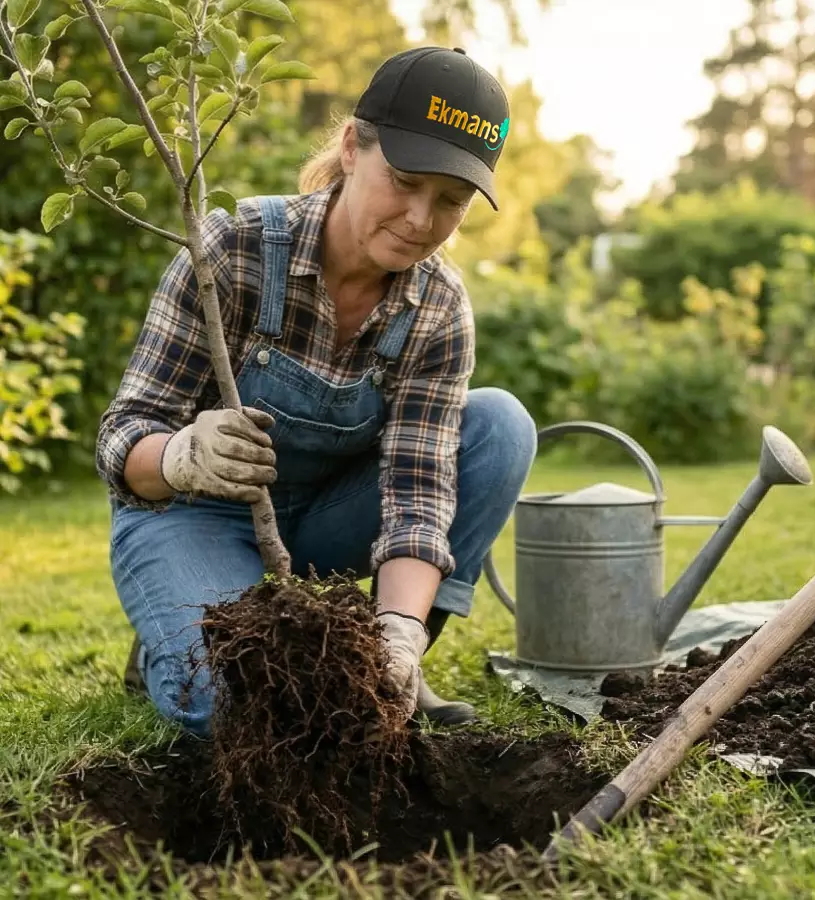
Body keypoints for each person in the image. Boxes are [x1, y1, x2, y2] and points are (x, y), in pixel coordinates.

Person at [97, 45, 537, 739]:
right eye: (405, 181)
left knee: (500, 426)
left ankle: (389, 668)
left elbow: (418, 491)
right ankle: (183, 616)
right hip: (193, 514)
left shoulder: (439, 309)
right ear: (353, 147)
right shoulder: (234, 248)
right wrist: (182, 454)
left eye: (450, 201)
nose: (422, 220)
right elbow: (122, 436)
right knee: (240, 702)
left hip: (328, 521)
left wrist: (397, 630)